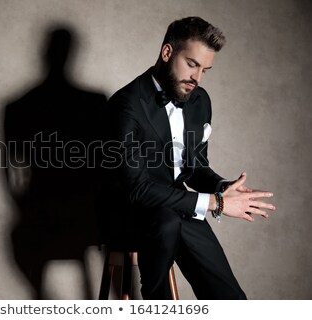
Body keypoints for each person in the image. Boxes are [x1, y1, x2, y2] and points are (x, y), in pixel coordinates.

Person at [107, 16, 276, 299]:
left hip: (178, 207)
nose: (196, 78)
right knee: (167, 222)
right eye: (192, 64)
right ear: (167, 52)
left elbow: (195, 168)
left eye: (205, 70)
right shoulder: (126, 104)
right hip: (129, 212)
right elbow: (136, 189)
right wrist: (216, 203)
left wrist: (223, 187)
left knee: (230, 297)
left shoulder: (199, 101)